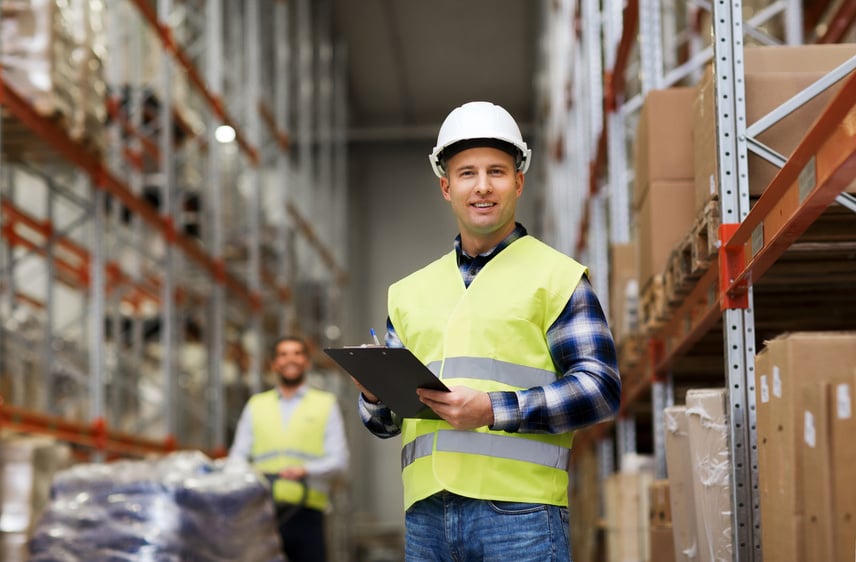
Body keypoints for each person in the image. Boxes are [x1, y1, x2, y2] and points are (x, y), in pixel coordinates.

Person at [353, 101, 621, 561]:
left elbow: (600, 389)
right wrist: (374, 395)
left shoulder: (557, 278)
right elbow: (386, 425)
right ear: (446, 186)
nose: (482, 187)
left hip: (521, 517)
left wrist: (493, 409)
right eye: (467, 173)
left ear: (518, 181)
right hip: (426, 518)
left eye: (496, 172)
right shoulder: (408, 292)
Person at [230, 335, 349, 562]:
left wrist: (305, 470)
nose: (290, 360)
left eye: (297, 353)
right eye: (283, 354)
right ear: (274, 363)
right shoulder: (257, 405)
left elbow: (339, 460)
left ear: (307, 362)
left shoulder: (325, 404)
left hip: (307, 512)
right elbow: (237, 458)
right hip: (262, 513)